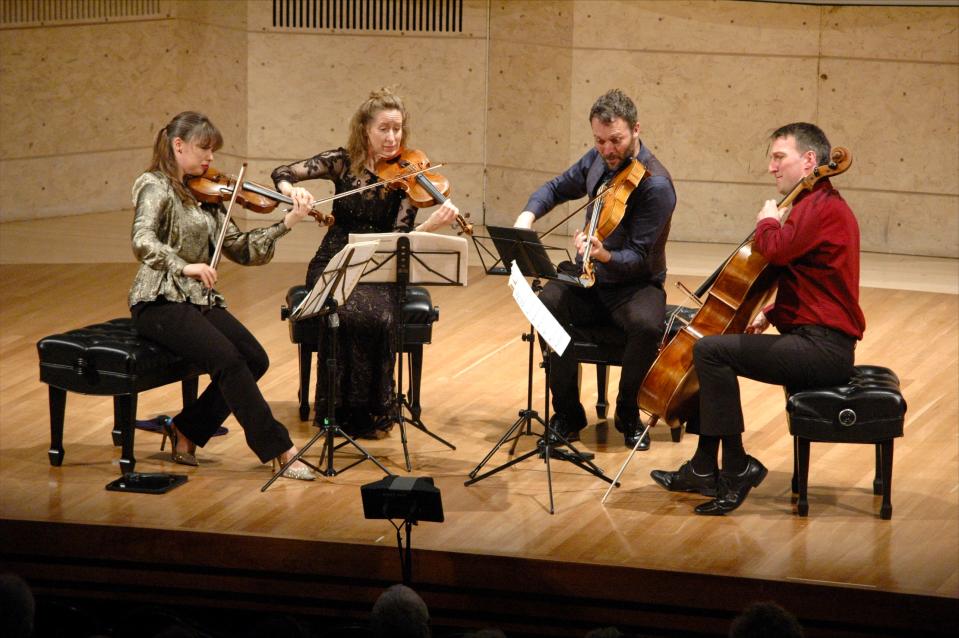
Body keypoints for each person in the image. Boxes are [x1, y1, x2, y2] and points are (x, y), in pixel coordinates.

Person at [651, 122, 865, 515]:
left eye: (779, 157)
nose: (772, 167)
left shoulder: (819, 209)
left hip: (823, 350)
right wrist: (771, 310)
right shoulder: (817, 205)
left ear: (810, 160)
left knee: (712, 352)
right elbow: (815, 277)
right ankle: (702, 467)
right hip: (816, 339)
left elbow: (777, 252)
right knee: (711, 350)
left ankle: (736, 466)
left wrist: (768, 219)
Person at [130, 111, 317, 480]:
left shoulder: (208, 196)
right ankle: (280, 449)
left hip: (197, 300)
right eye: (204, 148)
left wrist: (285, 225)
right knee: (229, 361)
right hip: (158, 300)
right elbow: (142, 239)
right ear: (178, 145)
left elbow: (241, 249)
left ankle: (187, 430)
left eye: (213, 151)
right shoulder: (154, 186)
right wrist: (184, 266)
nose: (210, 158)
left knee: (254, 359)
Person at [271, 88, 460, 438]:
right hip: (336, 257)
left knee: (376, 315)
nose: (392, 138)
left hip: (380, 263)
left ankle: (370, 410)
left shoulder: (407, 177)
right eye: (384, 129)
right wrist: (291, 190)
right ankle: (336, 412)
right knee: (339, 311)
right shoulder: (341, 162)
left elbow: (401, 236)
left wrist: (432, 224)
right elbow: (283, 172)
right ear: (365, 130)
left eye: (398, 129)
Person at [513, 88, 676, 450]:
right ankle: (568, 414)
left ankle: (628, 412)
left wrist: (604, 255)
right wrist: (528, 216)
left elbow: (638, 257)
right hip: (590, 277)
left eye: (615, 140)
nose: (607, 150)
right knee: (546, 304)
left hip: (635, 283)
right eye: (600, 141)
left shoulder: (656, 186)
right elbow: (556, 188)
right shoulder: (598, 160)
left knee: (647, 324)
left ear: (636, 130)